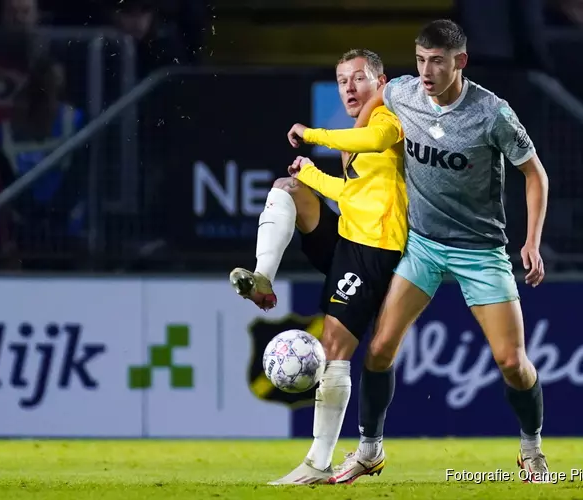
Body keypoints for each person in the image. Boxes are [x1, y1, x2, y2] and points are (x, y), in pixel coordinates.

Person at [319, 19, 551, 483]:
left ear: (459, 62)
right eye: (421, 59)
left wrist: (531, 242)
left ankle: (532, 449)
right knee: (380, 349)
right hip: (423, 245)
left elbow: (535, 175)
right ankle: (369, 450)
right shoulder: (404, 92)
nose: (426, 71)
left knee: (512, 362)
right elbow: (377, 99)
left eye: (438, 62)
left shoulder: (492, 113)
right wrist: (354, 153)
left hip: (481, 250)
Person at [229, 49, 408, 484]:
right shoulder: (359, 126)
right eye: (342, 80)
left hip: (374, 249)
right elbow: (353, 195)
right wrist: (312, 173)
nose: (349, 87)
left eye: (359, 78)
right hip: (349, 235)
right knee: (288, 187)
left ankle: (318, 461)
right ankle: (263, 279)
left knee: (335, 348)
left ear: (380, 81)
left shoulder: (387, 117)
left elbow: (375, 144)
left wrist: (314, 136)